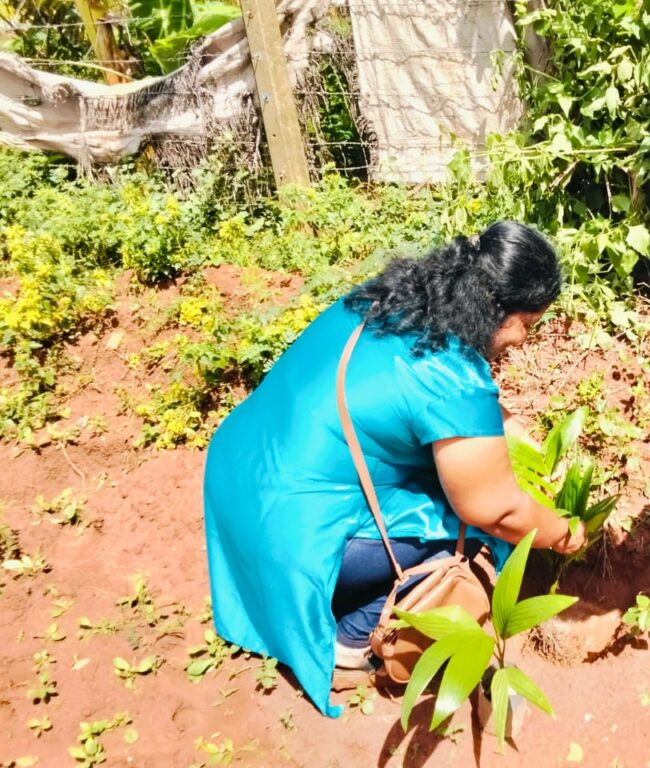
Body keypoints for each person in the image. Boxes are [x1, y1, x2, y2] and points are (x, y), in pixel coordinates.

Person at [203, 221, 585, 717]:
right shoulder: (450, 374)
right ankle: (352, 640)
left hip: (239, 485)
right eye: (526, 325)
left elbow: (425, 402)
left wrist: (515, 433)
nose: (523, 340)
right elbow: (497, 510)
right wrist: (562, 532)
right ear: (496, 310)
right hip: (291, 533)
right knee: (463, 523)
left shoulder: (385, 302)